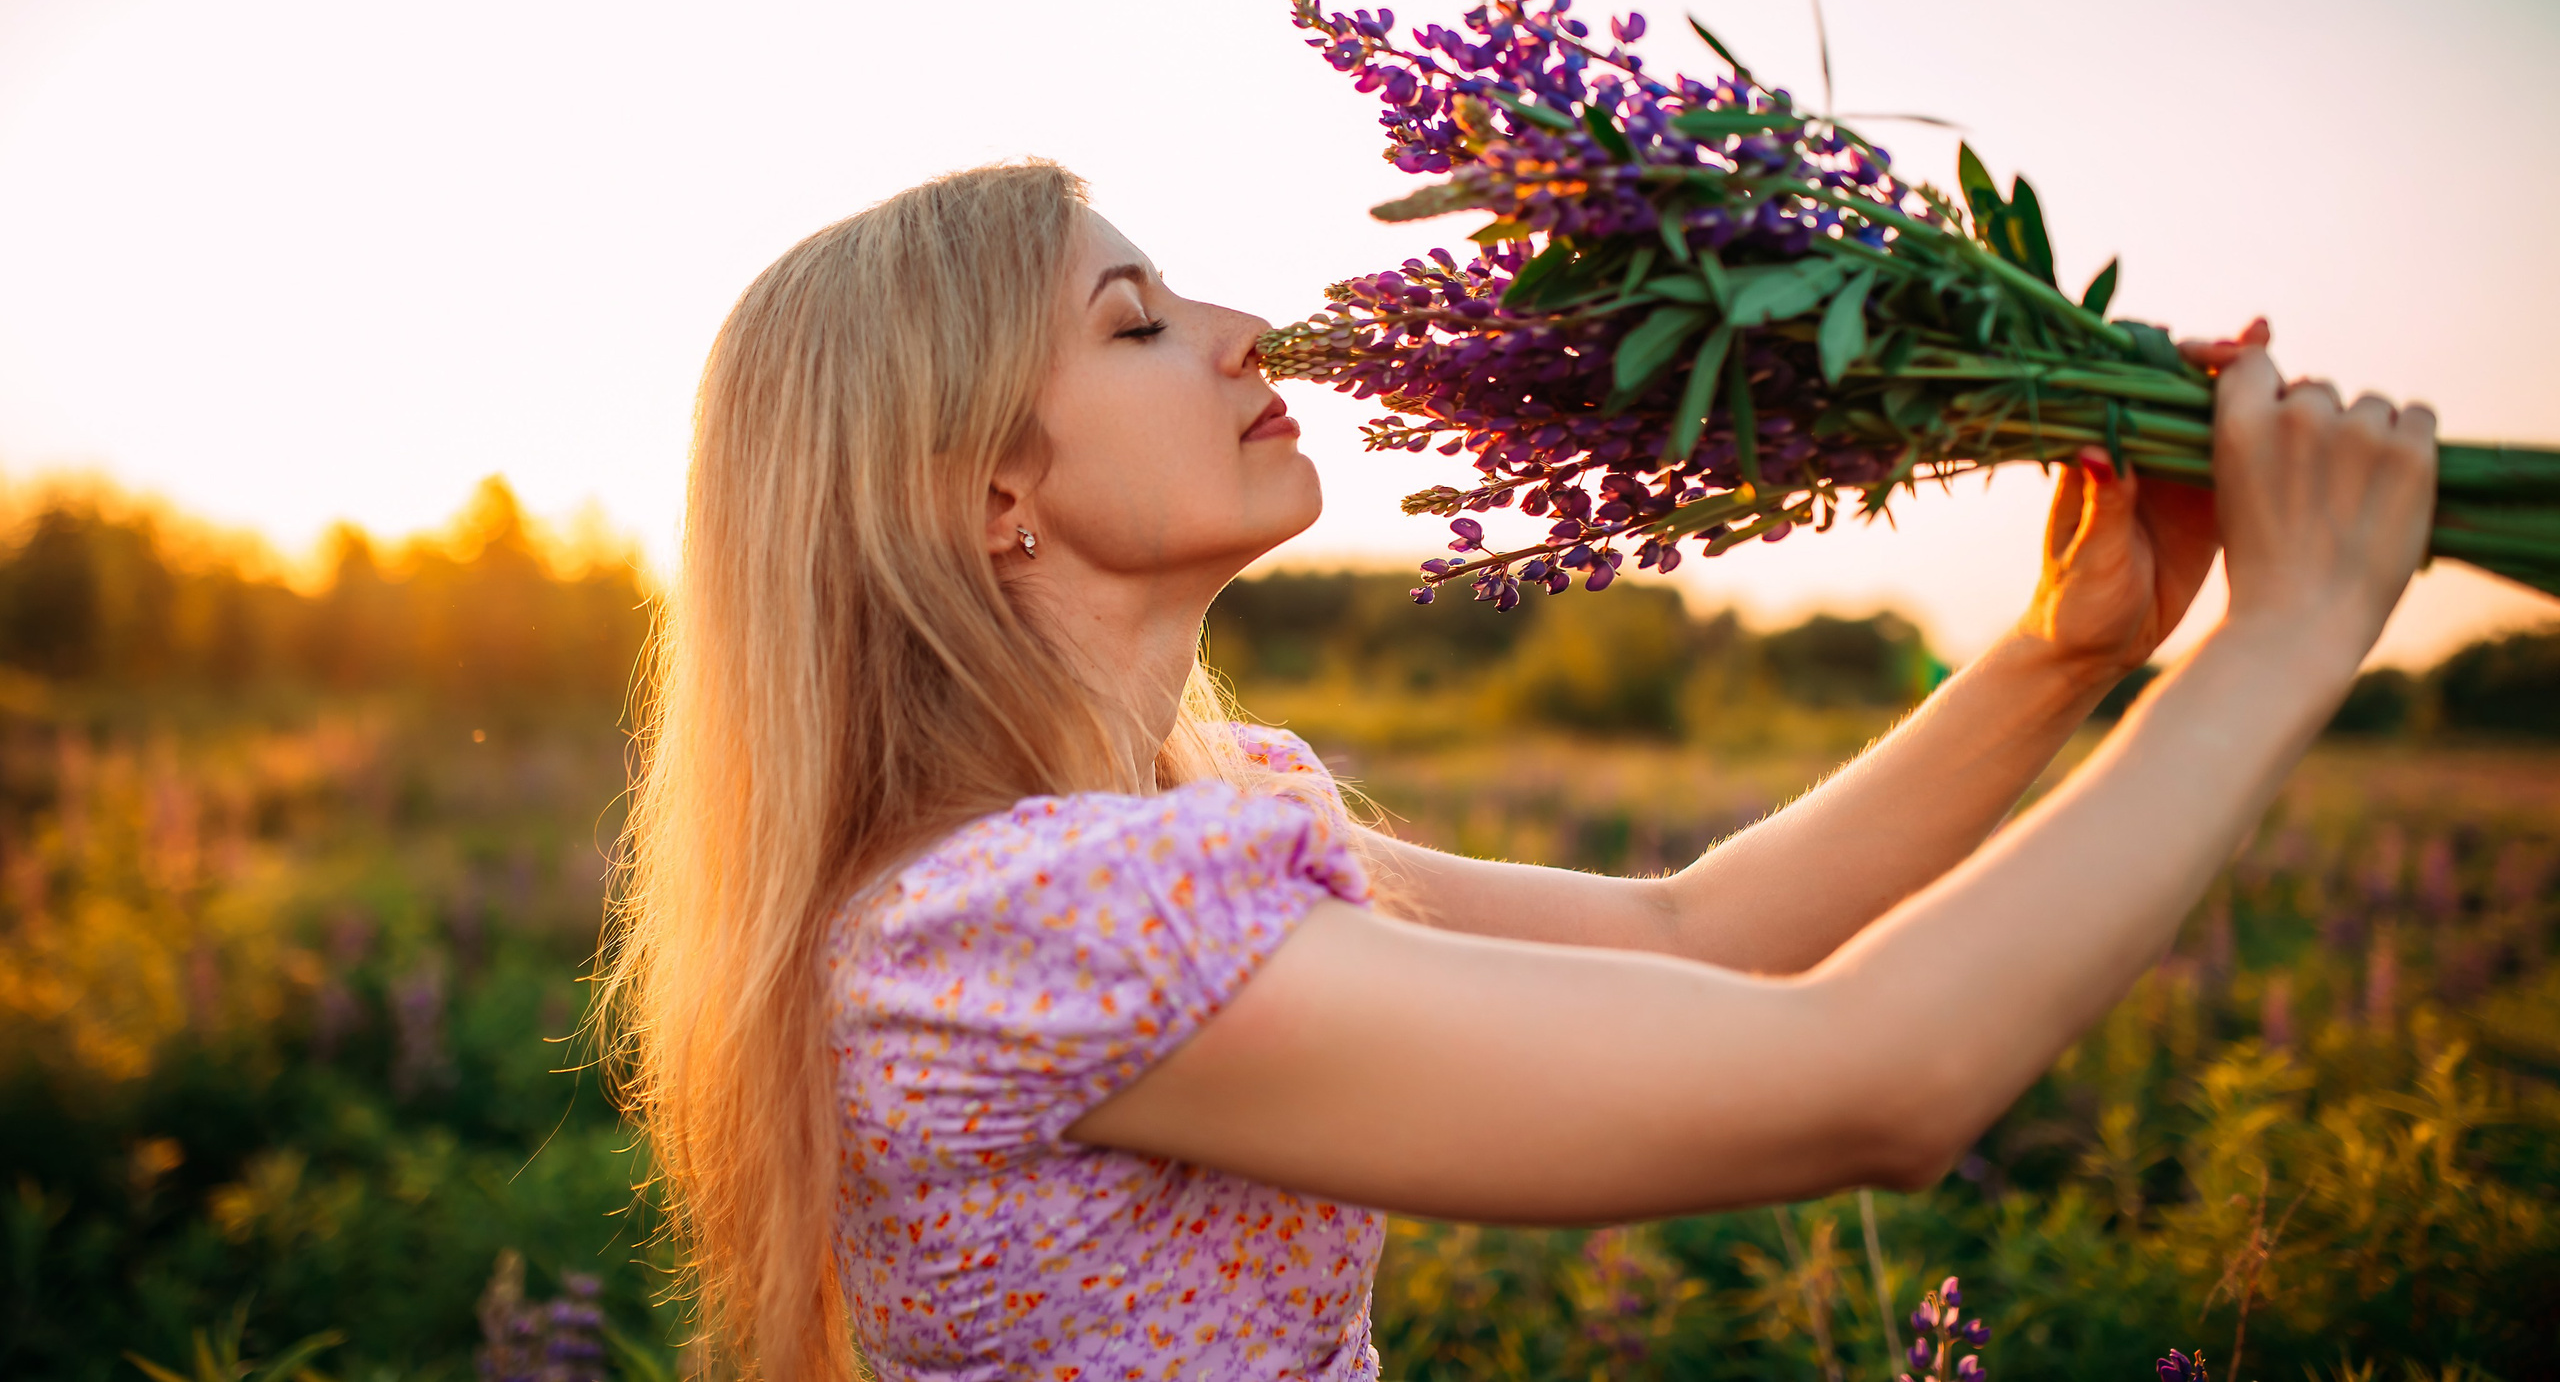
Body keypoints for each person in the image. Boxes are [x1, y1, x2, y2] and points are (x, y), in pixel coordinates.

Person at [600, 161, 2438, 1381]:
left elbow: (1692, 929)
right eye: (1136, 322)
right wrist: (2284, 637)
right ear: (989, 494)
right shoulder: (1028, 923)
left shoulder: (1195, 814)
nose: (1246, 331)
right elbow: (1879, 1082)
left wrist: (2067, 651)